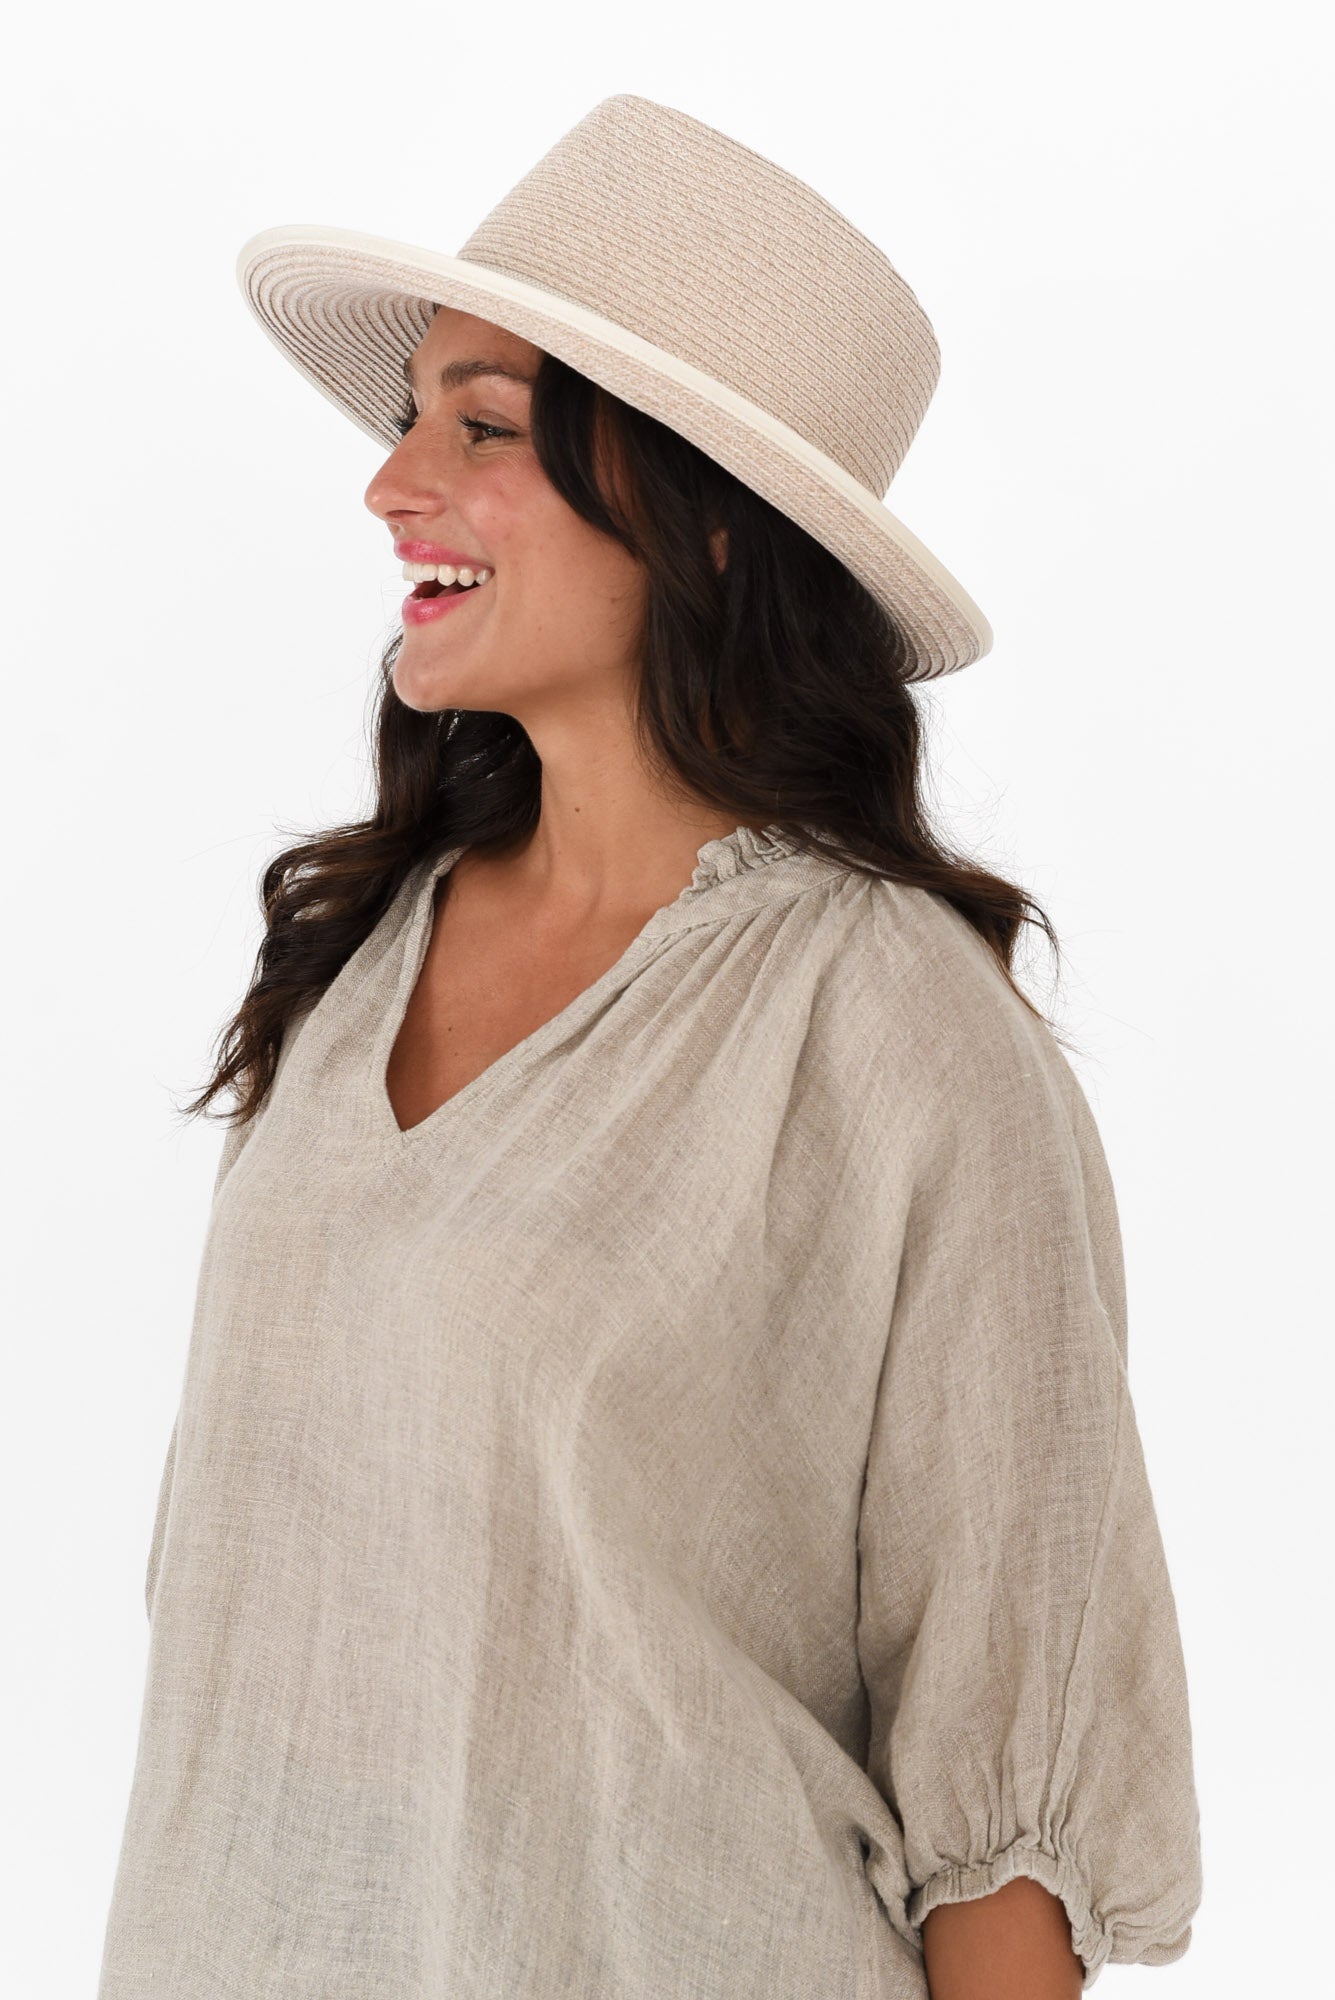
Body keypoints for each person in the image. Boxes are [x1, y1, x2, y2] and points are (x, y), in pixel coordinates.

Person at [96, 94, 1202, 2000]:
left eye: (482, 427)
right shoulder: (358, 953)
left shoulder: (897, 1037)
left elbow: (1006, 1767)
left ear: (703, 517)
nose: (390, 486)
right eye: (408, 418)